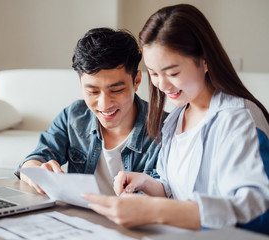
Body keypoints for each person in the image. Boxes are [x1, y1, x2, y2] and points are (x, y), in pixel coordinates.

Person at [82, 4, 269, 234]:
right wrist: (148, 184)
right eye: (153, 73)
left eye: (173, 73)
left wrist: (155, 210)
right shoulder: (177, 117)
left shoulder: (240, 120)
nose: (162, 85)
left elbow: (259, 212)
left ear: (205, 60)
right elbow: (177, 191)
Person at [15, 28, 166, 195]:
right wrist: (36, 171)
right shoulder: (74, 116)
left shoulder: (164, 129)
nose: (104, 104)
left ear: (136, 81)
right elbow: (33, 160)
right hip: (78, 216)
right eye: (93, 92)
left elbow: (165, 196)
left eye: (116, 90)